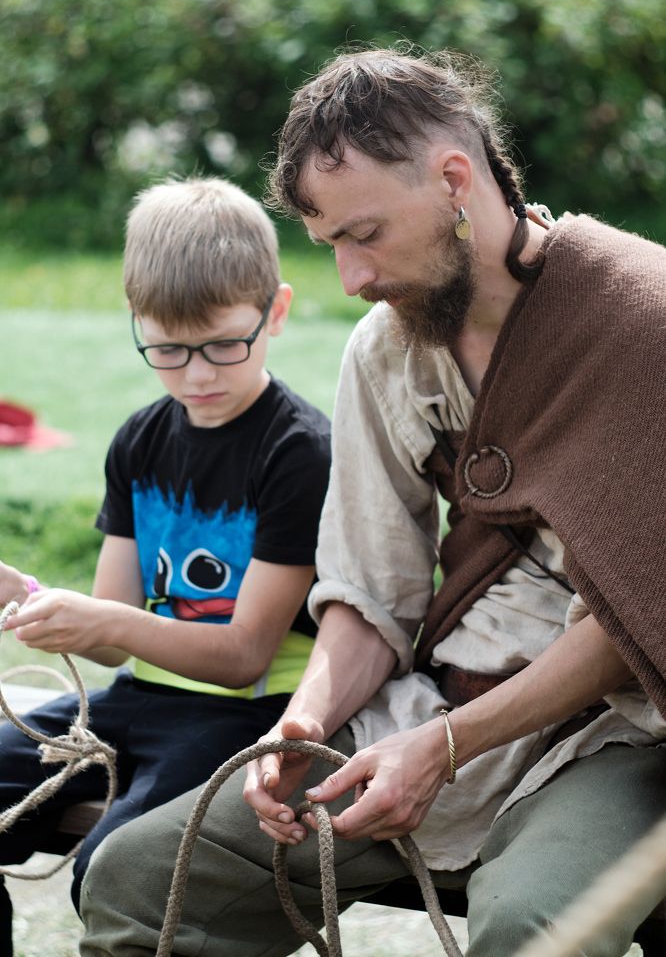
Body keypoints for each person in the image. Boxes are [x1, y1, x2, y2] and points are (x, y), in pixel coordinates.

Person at [79, 48, 666, 957]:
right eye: (329, 248)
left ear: (453, 181)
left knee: (533, 924)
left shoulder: (645, 322)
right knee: (142, 877)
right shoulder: (386, 351)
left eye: (366, 235)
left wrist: (445, 748)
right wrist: (304, 719)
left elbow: (634, 621)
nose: (351, 279)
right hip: (428, 709)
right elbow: (368, 592)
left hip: (618, 734)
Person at [0, 177, 330, 956]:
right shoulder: (140, 441)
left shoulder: (298, 453)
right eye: (167, 350)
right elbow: (114, 642)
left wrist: (108, 619)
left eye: (223, 344)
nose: (196, 375)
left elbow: (244, 654)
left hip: (248, 714)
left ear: (274, 313)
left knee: (109, 872)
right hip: (138, 697)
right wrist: (35, 600)